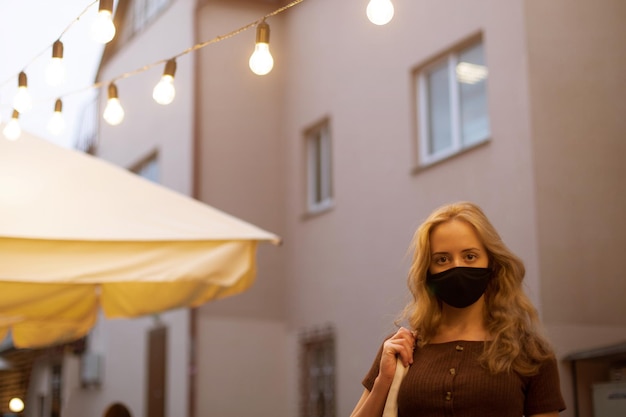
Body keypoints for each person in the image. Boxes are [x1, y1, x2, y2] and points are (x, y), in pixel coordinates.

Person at [350, 201, 566, 417]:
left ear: (492, 263)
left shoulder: (531, 353)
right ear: (428, 271)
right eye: (442, 259)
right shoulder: (401, 349)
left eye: (470, 256)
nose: (457, 267)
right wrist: (383, 381)